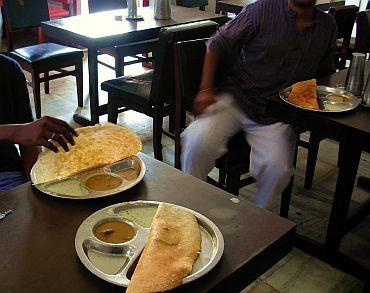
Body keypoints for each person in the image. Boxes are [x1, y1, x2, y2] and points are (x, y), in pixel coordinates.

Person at [181, 0, 337, 209]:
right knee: (196, 142)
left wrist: (314, 105)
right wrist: (206, 89)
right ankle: (189, 207)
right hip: (237, 98)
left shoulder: (327, 26)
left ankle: (258, 219)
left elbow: (325, 71)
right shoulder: (261, 10)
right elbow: (217, 44)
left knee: (278, 169)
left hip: (278, 113)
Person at [0, 54, 77, 192]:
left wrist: (37, 187)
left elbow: (29, 143)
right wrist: (14, 132)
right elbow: (22, 132)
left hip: (8, 174)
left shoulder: (8, 68)